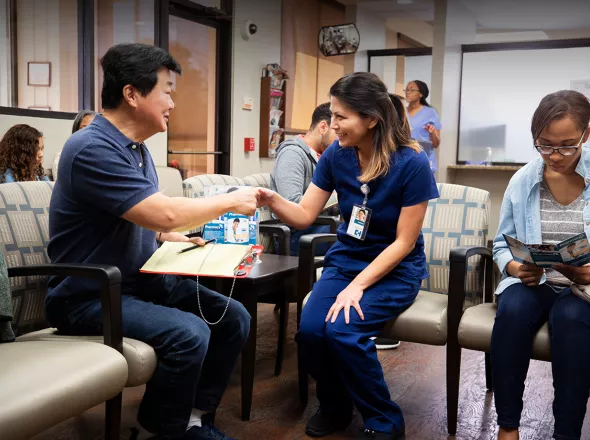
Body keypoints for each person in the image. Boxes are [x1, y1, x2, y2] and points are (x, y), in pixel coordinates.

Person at [45, 43, 258, 440]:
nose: (173, 102)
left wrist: (167, 234)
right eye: (167, 90)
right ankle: (166, 429)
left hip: (139, 281)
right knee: (190, 333)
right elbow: (163, 211)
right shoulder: (91, 147)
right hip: (87, 296)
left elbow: (145, 218)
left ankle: (194, 418)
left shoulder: (136, 150)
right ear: (132, 93)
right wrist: (230, 200)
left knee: (234, 318)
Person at [257, 72, 439, 440]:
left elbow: (404, 242)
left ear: (371, 118)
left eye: (341, 117)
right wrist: (272, 199)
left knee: (342, 330)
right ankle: (335, 405)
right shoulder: (337, 157)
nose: (332, 124)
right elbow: (305, 215)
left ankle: (384, 420)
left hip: (395, 269)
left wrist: (356, 286)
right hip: (346, 260)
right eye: (333, 115)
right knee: (309, 332)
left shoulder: (411, 164)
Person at [491, 90, 590, 440]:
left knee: (571, 319)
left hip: (582, 291)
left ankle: (566, 432)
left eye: (566, 145)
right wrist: (516, 269)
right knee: (513, 310)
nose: (555, 156)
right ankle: (508, 425)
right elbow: (502, 243)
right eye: (544, 145)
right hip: (537, 282)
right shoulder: (523, 180)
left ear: (586, 134)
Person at [270, 102, 338, 256]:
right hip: (294, 235)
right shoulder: (292, 154)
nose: (340, 140)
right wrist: (336, 197)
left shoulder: (326, 157)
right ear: (323, 127)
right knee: (352, 236)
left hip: (322, 226)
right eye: (337, 133)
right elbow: (293, 203)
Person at [404, 80, 441, 174]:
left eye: (412, 90)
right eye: (406, 90)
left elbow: (436, 144)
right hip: (405, 159)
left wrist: (432, 133)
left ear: (421, 94)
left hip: (425, 160)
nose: (408, 92)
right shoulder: (402, 112)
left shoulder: (431, 113)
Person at [53, 110, 98, 181]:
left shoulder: (101, 155)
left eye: (93, 129)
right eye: (84, 129)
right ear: (76, 130)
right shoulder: (62, 156)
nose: (89, 133)